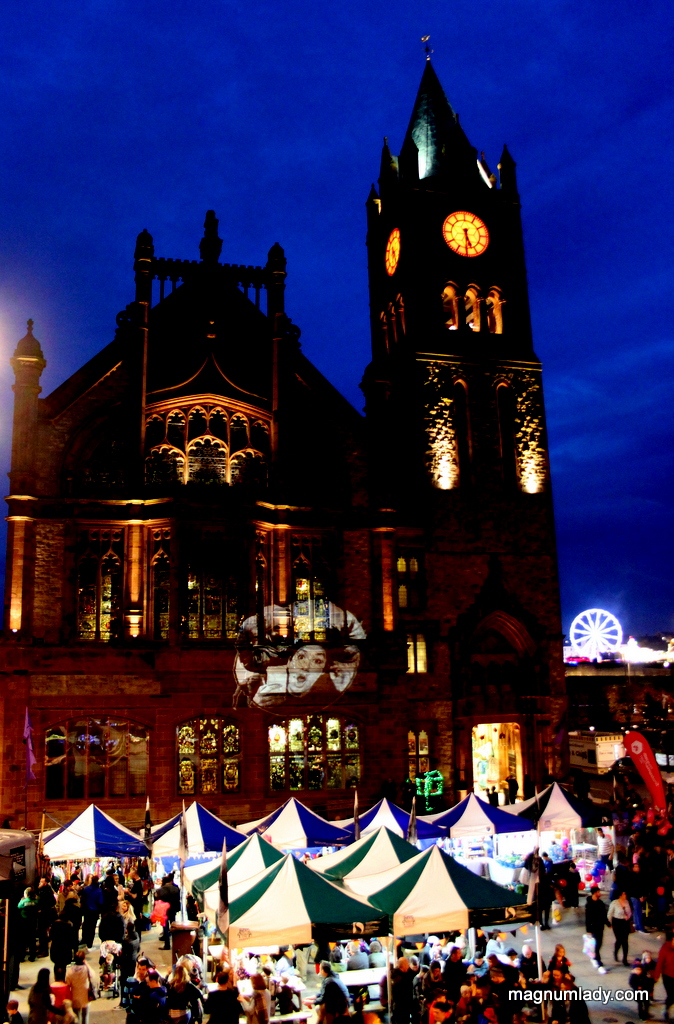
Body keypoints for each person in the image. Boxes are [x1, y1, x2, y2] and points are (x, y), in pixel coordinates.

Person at [65, 950, 98, 1024]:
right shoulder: (86, 969)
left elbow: (68, 982)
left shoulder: (70, 970)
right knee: (85, 1016)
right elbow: (93, 975)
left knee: (76, 1017)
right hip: (85, 995)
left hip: (75, 996)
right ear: (83, 959)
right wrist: (87, 964)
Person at [585, 886, 608, 973]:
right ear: (595, 893)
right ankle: (597, 960)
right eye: (598, 892)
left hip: (600, 926)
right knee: (596, 944)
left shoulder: (600, 903)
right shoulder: (589, 904)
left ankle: (595, 957)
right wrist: (588, 930)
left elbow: (604, 914)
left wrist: (607, 923)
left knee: (600, 943)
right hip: (593, 927)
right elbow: (587, 918)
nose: (600, 893)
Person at [155, 875, 180, 950]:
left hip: (164, 910)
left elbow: (158, 899)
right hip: (172, 909)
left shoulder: (160, 890)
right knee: (174, 926)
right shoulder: (176, 888)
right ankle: (176, 943)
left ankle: (167, 944)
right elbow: (178, 899)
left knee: (165, 927)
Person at [607, 890, 633, 966]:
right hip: (617, 922)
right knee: (619, 940)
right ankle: (615, 952)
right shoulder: (614, 903)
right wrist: (609, 923)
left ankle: (625, 959)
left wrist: (628, 917)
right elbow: (610, 914)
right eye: (624, 894)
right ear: (620, 895)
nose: (625, 895)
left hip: (625, 923)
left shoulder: (627, 902)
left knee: (625, 941)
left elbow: (630, 912)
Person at [80, 876, 104, 949]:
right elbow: (100, 902)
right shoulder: (99, 891)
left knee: (86, 925)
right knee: (92, 927)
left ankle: (84, 939)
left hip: (87, 910)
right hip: (95, 911)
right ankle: (90, 942)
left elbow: (82, 899)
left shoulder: (86, 889)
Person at [654, 932, 674, 1021]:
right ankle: (666, 1008)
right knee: (671, 995)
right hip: (668, 976)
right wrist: (656, 976)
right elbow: (660, 963)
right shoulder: (665, 949)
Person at [36, 878, 57, 958]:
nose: (40, 883)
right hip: (44, 914)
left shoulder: (46, 891)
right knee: (41, 933)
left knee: (43, 933)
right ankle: (42, 948)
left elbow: (50, 902)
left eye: (41, 882)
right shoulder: (45, 890)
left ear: (45, 883)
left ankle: (44, 950)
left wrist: (42, 909)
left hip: (45, 915)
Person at [629, 956, 655, 1020]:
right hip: (638, 993)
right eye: (636, 970)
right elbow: (632, 983)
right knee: (640, 1004)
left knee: (647, 1004)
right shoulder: (633, 976)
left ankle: (646, 1013)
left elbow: (649, 983)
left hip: (645, 992)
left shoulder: (645, 976)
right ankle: (641, 1015)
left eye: (639, 969)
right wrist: (637, 987)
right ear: (633, 970)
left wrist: (650, 991)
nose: (638, 971)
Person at [18, 887, 40, 962]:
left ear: (26, 894)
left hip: (24, 922)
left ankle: (22, 957)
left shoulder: (23, 901)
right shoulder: (36, 901)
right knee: (32, 940)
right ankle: (32, 956)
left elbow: (18, 907)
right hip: (33, 922)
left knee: (23, 940)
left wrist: (21, 900)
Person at [390, 957, 414, 1024]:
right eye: (407, 964)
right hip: (401, 1007)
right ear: (403, 966)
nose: (408, 965)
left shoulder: (404, 974)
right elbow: (400, 995)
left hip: (405, 1006)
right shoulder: (399, 979)